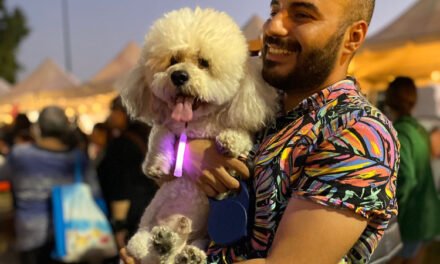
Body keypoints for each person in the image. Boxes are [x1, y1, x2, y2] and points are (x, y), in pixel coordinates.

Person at [121, 0, 400, 263]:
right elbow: (166, 176)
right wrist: (187, 152)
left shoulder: (359, 134)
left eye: (302, 14)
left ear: (352, 37)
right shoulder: (260, 104)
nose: (274, 26)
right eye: (274, 9)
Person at [0, 106, 96, 264]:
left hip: (30, 236)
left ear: (38, 128)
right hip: (72, 235)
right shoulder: (78, 158)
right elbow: (94, 193)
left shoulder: (20, 155)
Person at [384, 77, 440, 264]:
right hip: (426, 215)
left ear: (390, 100)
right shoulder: (419, 129)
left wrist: (388, 214)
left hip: (411, 220)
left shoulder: (400, 132)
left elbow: (406, 179)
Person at [97, 97, 158, 251]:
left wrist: (119, 226)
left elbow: (120, 187)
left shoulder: (121, 145)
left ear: (126, 113)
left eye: (114, 110)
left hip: (132, 215)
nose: (110, 115)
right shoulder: (151, 137)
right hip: (155, 207)